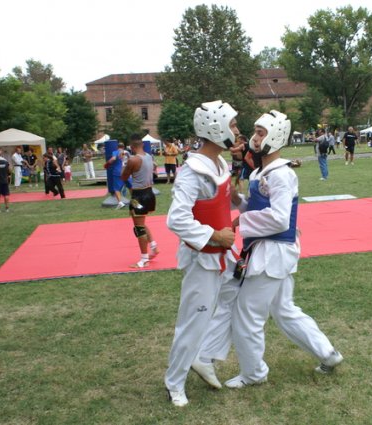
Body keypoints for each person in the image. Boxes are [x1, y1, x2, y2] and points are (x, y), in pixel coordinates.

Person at [209, 110, 343, 389]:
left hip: (270, 254)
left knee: (247, 314)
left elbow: (280, 218)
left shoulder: (281, 174)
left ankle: (254, 373)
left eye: (261, 132)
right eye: (255, 132)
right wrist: (239, 201)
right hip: (272, 252)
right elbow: (262, 207)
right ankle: (327, 353)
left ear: (276, 135)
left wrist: (239, 220)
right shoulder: (262, 171)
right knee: (284, 309)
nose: (255, 138)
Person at [163, 100, 240, 407]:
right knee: (193, 319)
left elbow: (217, 204)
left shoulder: (220, 163)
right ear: (216, 128)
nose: (236, 130)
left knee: (237, 299)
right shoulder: (191, 172)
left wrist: (230, 214)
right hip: (203, 258)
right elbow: (177, 218)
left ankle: (204, 356)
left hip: (224, 254)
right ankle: (174, 383)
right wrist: (214, 234)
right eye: (232, 125)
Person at [120, 134, 159, 268]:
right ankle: (154, 246)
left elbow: (123, 176)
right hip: (149, 193)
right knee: (141, 222)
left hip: (138, 196)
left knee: (138, 227)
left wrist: (123, 163)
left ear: (131, 147)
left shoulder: (133, 160)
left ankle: (144, 259)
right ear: (142, 145)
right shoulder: (149, 157)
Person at [105, 142, 129, 209]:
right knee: (129, 186)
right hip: (127, 171)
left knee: (116, 188)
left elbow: (113, 158)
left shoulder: (115, 152)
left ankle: (120, 202)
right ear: (123, 147)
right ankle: (135, 202)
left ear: (117, 147)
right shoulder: (127, 152)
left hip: (118, 171)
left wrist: (107, 163)